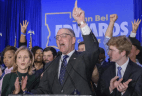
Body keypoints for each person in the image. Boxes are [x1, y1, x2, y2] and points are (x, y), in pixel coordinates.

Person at [30, 1, 99, 95]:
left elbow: (93, 49)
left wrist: (81, 22)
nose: (59, 39)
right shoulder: (50, 65)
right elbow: (43, 90)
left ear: (73, 40)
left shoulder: (83, 58)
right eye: (57, 37)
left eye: (64, 36)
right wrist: (24, 93)